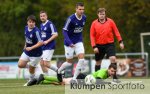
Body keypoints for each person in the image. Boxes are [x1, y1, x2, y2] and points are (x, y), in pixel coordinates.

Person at [90, 8, 124, 82]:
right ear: (98, 14)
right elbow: (92, 36)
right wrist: (94, 46)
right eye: (100, 14)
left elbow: (116, 32)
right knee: (98, 62)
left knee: (113, 58)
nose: (102, 16)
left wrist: (120, 41)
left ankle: (114, 78)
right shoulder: (94, 23)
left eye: (103, 14)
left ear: (105, 14)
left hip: (109, 44)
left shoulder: (111, 21)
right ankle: (97, 79)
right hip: (98, 45)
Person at [57, 2, 86, 83]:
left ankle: (74, 79)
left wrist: (79, 39)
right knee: (69, 63)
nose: (81, 11)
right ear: (76, 9)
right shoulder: (71, 19)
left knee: (81, 60)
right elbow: (64, 31)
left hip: (79, 42)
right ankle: (59, 71)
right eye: (80, 9)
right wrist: (69, 42)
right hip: (68, 43)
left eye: (83, 9)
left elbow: (80, 30)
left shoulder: (84, 18)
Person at [18, 15, 43, 86]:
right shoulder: (26, 28)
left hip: (36, 54)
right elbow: (27, 38)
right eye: (30, 22)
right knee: (20, 64)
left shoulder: (36, 31)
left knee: (31, 71)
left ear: (35, 23)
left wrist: (31, 47)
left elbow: (40, 42)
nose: (31, 23)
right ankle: (33, 66)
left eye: (33, 22)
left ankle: (31, 80)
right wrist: (25, 45)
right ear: (27, 22)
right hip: (27, 51)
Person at [36, 64, 117, 85]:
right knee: (63, 81)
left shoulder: (108, 74)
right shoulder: (103, 72)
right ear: (108, 68)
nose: (112, 73)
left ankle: (42, 81)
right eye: (112, 71)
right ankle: (43, 77)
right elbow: (98, 82)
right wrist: (110, 83)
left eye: (114, 72)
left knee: (61, 83)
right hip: (82, 78)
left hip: (85, 80)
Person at [39, 10, 58, 76]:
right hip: (43, 47)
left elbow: (55, 34)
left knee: (46, 63)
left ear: (46, 16)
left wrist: (47, 41)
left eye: (44, 16)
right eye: (41, 16)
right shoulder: (41, 25)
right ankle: (46, 77)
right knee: (41, 63)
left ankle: (59, 71)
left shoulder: (50, 24)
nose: (42, 17)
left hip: (50, 46)